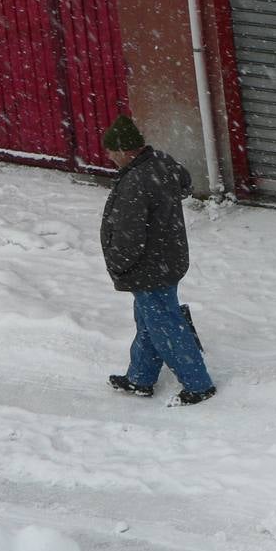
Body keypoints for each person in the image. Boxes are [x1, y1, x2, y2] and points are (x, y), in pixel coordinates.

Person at [98, 114, 216, 406]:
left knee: (165, 325)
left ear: (126, 151)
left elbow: (129, 234)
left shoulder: (136, 181)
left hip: (148, 267)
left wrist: (118, 264)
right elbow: (185, 183)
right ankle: (140, 378)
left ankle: (198, 384)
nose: (110, 158)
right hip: (168, 258)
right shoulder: (160, 164)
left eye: (112, 152)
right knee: (150, 320)